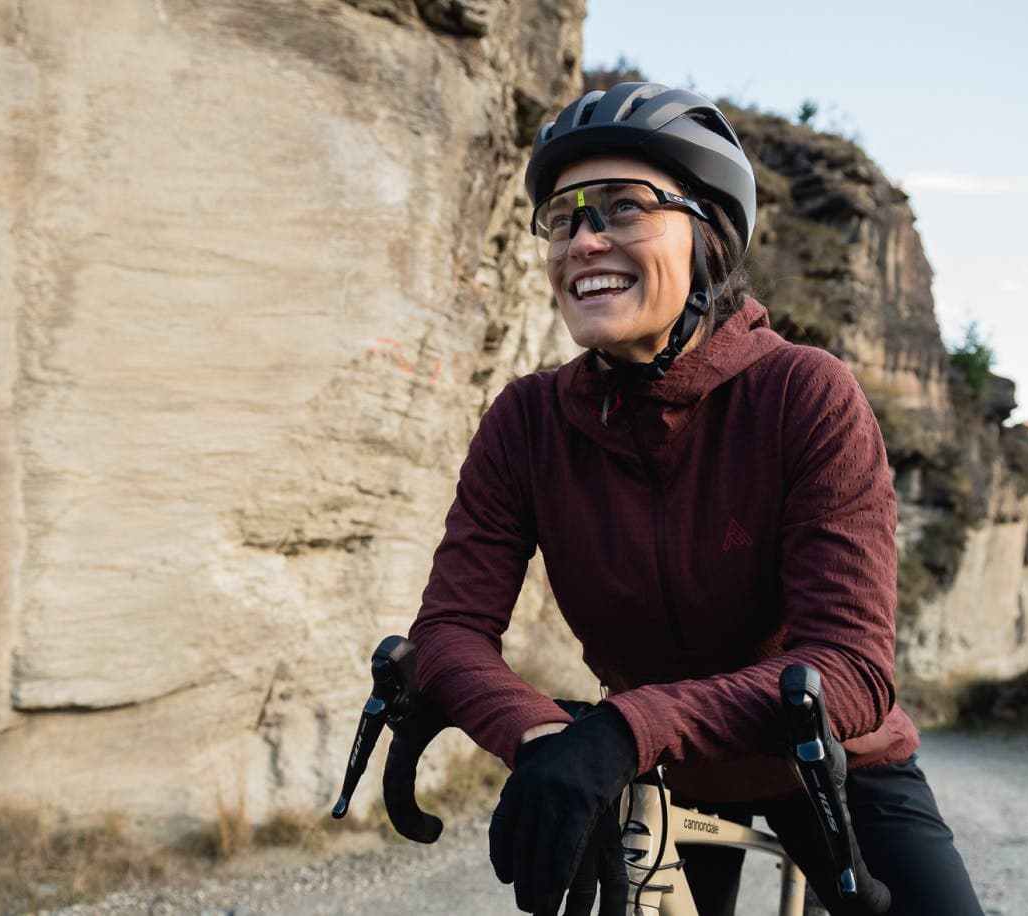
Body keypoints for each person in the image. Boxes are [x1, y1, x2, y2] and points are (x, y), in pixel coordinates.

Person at [408, 82, 982, 916]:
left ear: (707, 235)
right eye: (563, 219)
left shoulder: (805, 394)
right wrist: (543, 737)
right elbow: (450, 629)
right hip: (663, 770)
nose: (583, 239)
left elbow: (852, 669)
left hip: (831, 759)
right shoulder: (526, 422)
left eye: (622, 208)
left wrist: (625, 725)